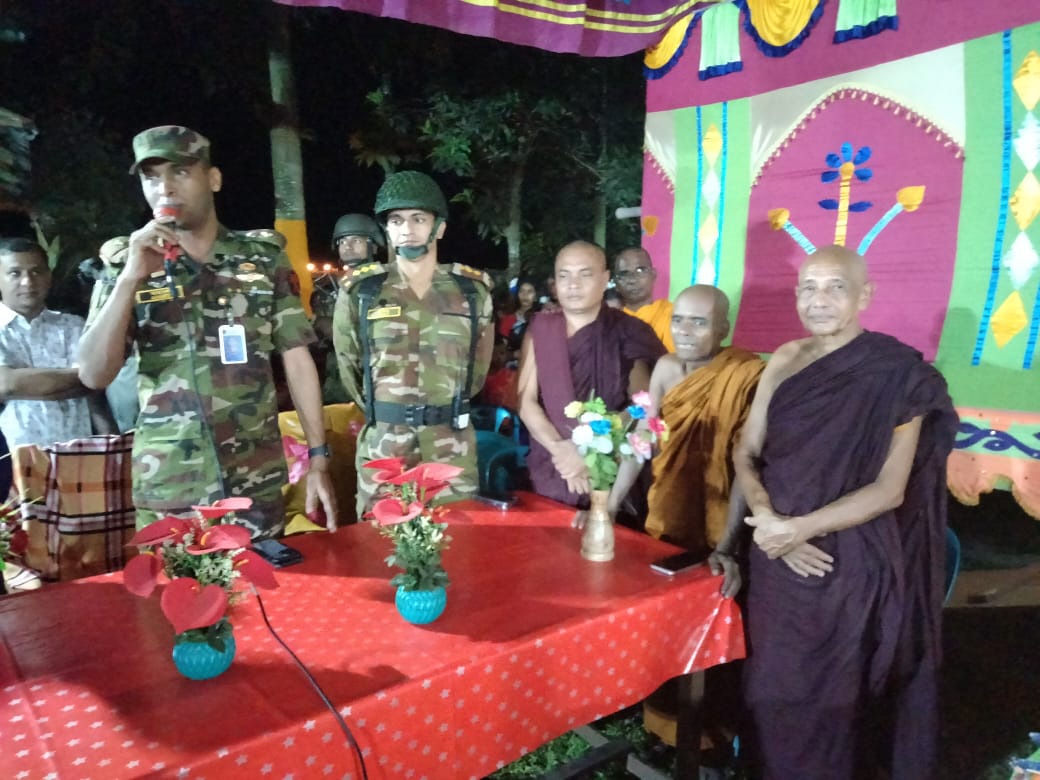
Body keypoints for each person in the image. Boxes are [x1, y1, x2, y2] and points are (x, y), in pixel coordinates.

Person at [733, 245, 958, 780]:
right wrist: (766, 518)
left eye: (836, 287)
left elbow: (889, 490)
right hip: (773, 551)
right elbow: (746, 452)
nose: (820, 300)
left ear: (864, 296)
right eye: (809, 287)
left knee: (832, 698)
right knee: (770, 687)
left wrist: (799, 529)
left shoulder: (897, 374)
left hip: (845, 560)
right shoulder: (784, 359)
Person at [77, 125, 338, 538]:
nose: (164, 188)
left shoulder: (261, 258)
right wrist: (129, 279)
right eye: (151, 177)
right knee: (175, 582)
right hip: (171, 486)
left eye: (180, 172)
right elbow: (93, 374)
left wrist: (318, 455)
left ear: (213, 179)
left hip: (254, 480)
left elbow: (296, 357)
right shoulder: (127, 264)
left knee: (265, 581)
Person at [333, 170, 494, 514]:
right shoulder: (362, 292)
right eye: (396, 220)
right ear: (387, 230)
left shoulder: (471, 292)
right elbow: (350, 366)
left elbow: (477, 370)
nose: (407, 229)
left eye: (418, 219)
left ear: (440, 228)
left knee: (457, 538)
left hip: (451, 447)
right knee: (381, 540)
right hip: (386, 449)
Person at [517, 240, 666, 509]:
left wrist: (589, 452)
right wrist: (562, 451)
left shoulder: (627, 331)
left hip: (608, 466)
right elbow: (525, 402)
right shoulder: (541, 328)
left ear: (605, 279)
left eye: (584, 274)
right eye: (564, 276)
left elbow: (642, 405)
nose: (573, 285)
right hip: (553, 464)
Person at [0, 238, 113, 448]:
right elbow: (6, 384)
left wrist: (112, 445)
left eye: (36, 271)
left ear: (49, 276)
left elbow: (95, 392)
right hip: (12, 457)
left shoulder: (73, 326)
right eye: (15, 273)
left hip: (78, 452)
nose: (28, 282)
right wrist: (83, 379)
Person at [313, 214, 386, 404]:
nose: (348, 246)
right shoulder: (327, 291)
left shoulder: (386, 284)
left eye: (356, 240)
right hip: (336, 385)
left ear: (374, 246)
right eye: (342, 241)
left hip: (376, 384)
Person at [614, 246, 675, 351]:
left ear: (653, 275)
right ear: (616, 284)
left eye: (640, 270)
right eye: (624, 274)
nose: (632, 280)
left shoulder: (672, 315)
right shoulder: (611, 322)